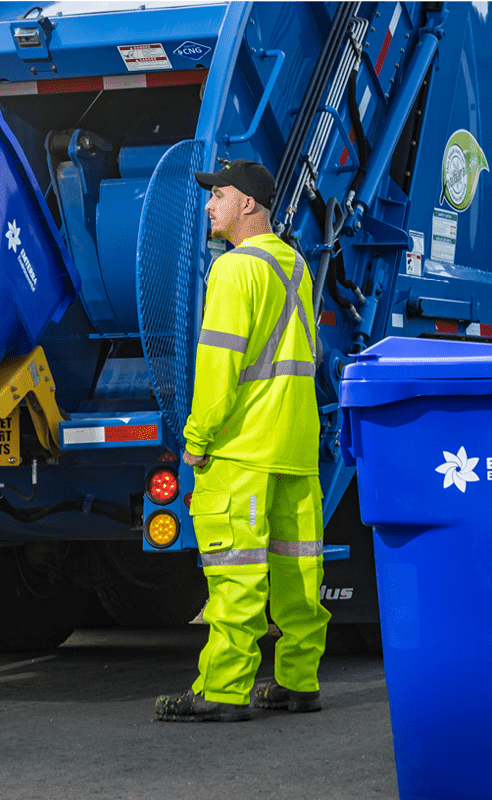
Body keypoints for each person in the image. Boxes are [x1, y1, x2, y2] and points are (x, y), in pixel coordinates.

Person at [155, 159, 331, 722]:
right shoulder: (294, 266)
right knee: (298, 572)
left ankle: (224, 691)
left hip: (244, 450)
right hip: (296, 448)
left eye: (219, 195)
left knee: (235, 574)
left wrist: (196, 439)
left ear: (248, 205)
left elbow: (218, 368)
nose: (210, 205)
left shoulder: (232, 271)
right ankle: (298, 682)